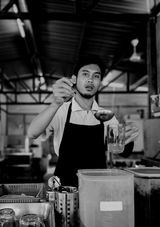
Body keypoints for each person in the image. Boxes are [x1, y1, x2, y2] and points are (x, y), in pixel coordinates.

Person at [28, 57, 139, 186]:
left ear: (100, 83)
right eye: (85, 74)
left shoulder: (106, 116)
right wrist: (55, 103)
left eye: (96, 76)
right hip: (64, 189)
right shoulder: (60, 110)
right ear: (74, 79)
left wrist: (127, 141)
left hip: (97, 186)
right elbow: (32, 133)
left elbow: (121, 150)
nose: (90, 80)